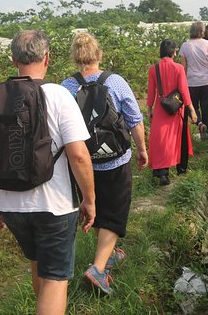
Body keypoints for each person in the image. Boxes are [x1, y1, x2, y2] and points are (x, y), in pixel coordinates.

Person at [0, 29, 96, 315]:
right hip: (54, 206)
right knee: (55, 279)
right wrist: (89, 200)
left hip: (12, 206)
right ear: (47, 58)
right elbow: (78, 155)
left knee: (39, 263)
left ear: (13, 59)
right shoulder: (59, 96)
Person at [61, 31, 148, 295]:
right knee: (115, 213)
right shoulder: (116, 82)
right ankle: (98, 269)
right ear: (99, 54)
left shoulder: (66, 87)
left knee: (96, 207)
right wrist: (142, 149)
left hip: (83, 164)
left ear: (75, 57)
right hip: (116, 160)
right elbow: (134, 118)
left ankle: (108, 255)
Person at [147, 39, 197, 185]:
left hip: (160, 109)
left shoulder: (153, 69)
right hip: (175, 109)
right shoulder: (178, 68)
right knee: (176, 140)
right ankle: (180, 168)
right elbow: (184, 91)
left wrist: (149, 109)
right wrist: (191, 109)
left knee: (160, 141)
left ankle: (162, 172)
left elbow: (151, 93)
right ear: (174, 52)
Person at [179, 21, 208, 140]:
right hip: (207, 81)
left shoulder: (185, 46)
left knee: (192, 107)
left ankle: (200, 123)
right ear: (202, 32)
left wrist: (182, 83)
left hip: (191, 82)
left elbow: (183, 68)